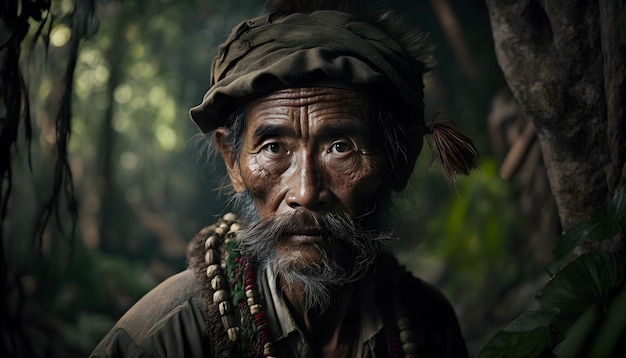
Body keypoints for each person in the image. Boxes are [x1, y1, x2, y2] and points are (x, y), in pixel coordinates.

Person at [91, 0, 479, 357]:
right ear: (233, 161)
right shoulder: (164, 337)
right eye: (274, 148)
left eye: (340, 147)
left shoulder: (427, 324)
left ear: (401, 161)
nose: (306, 192)